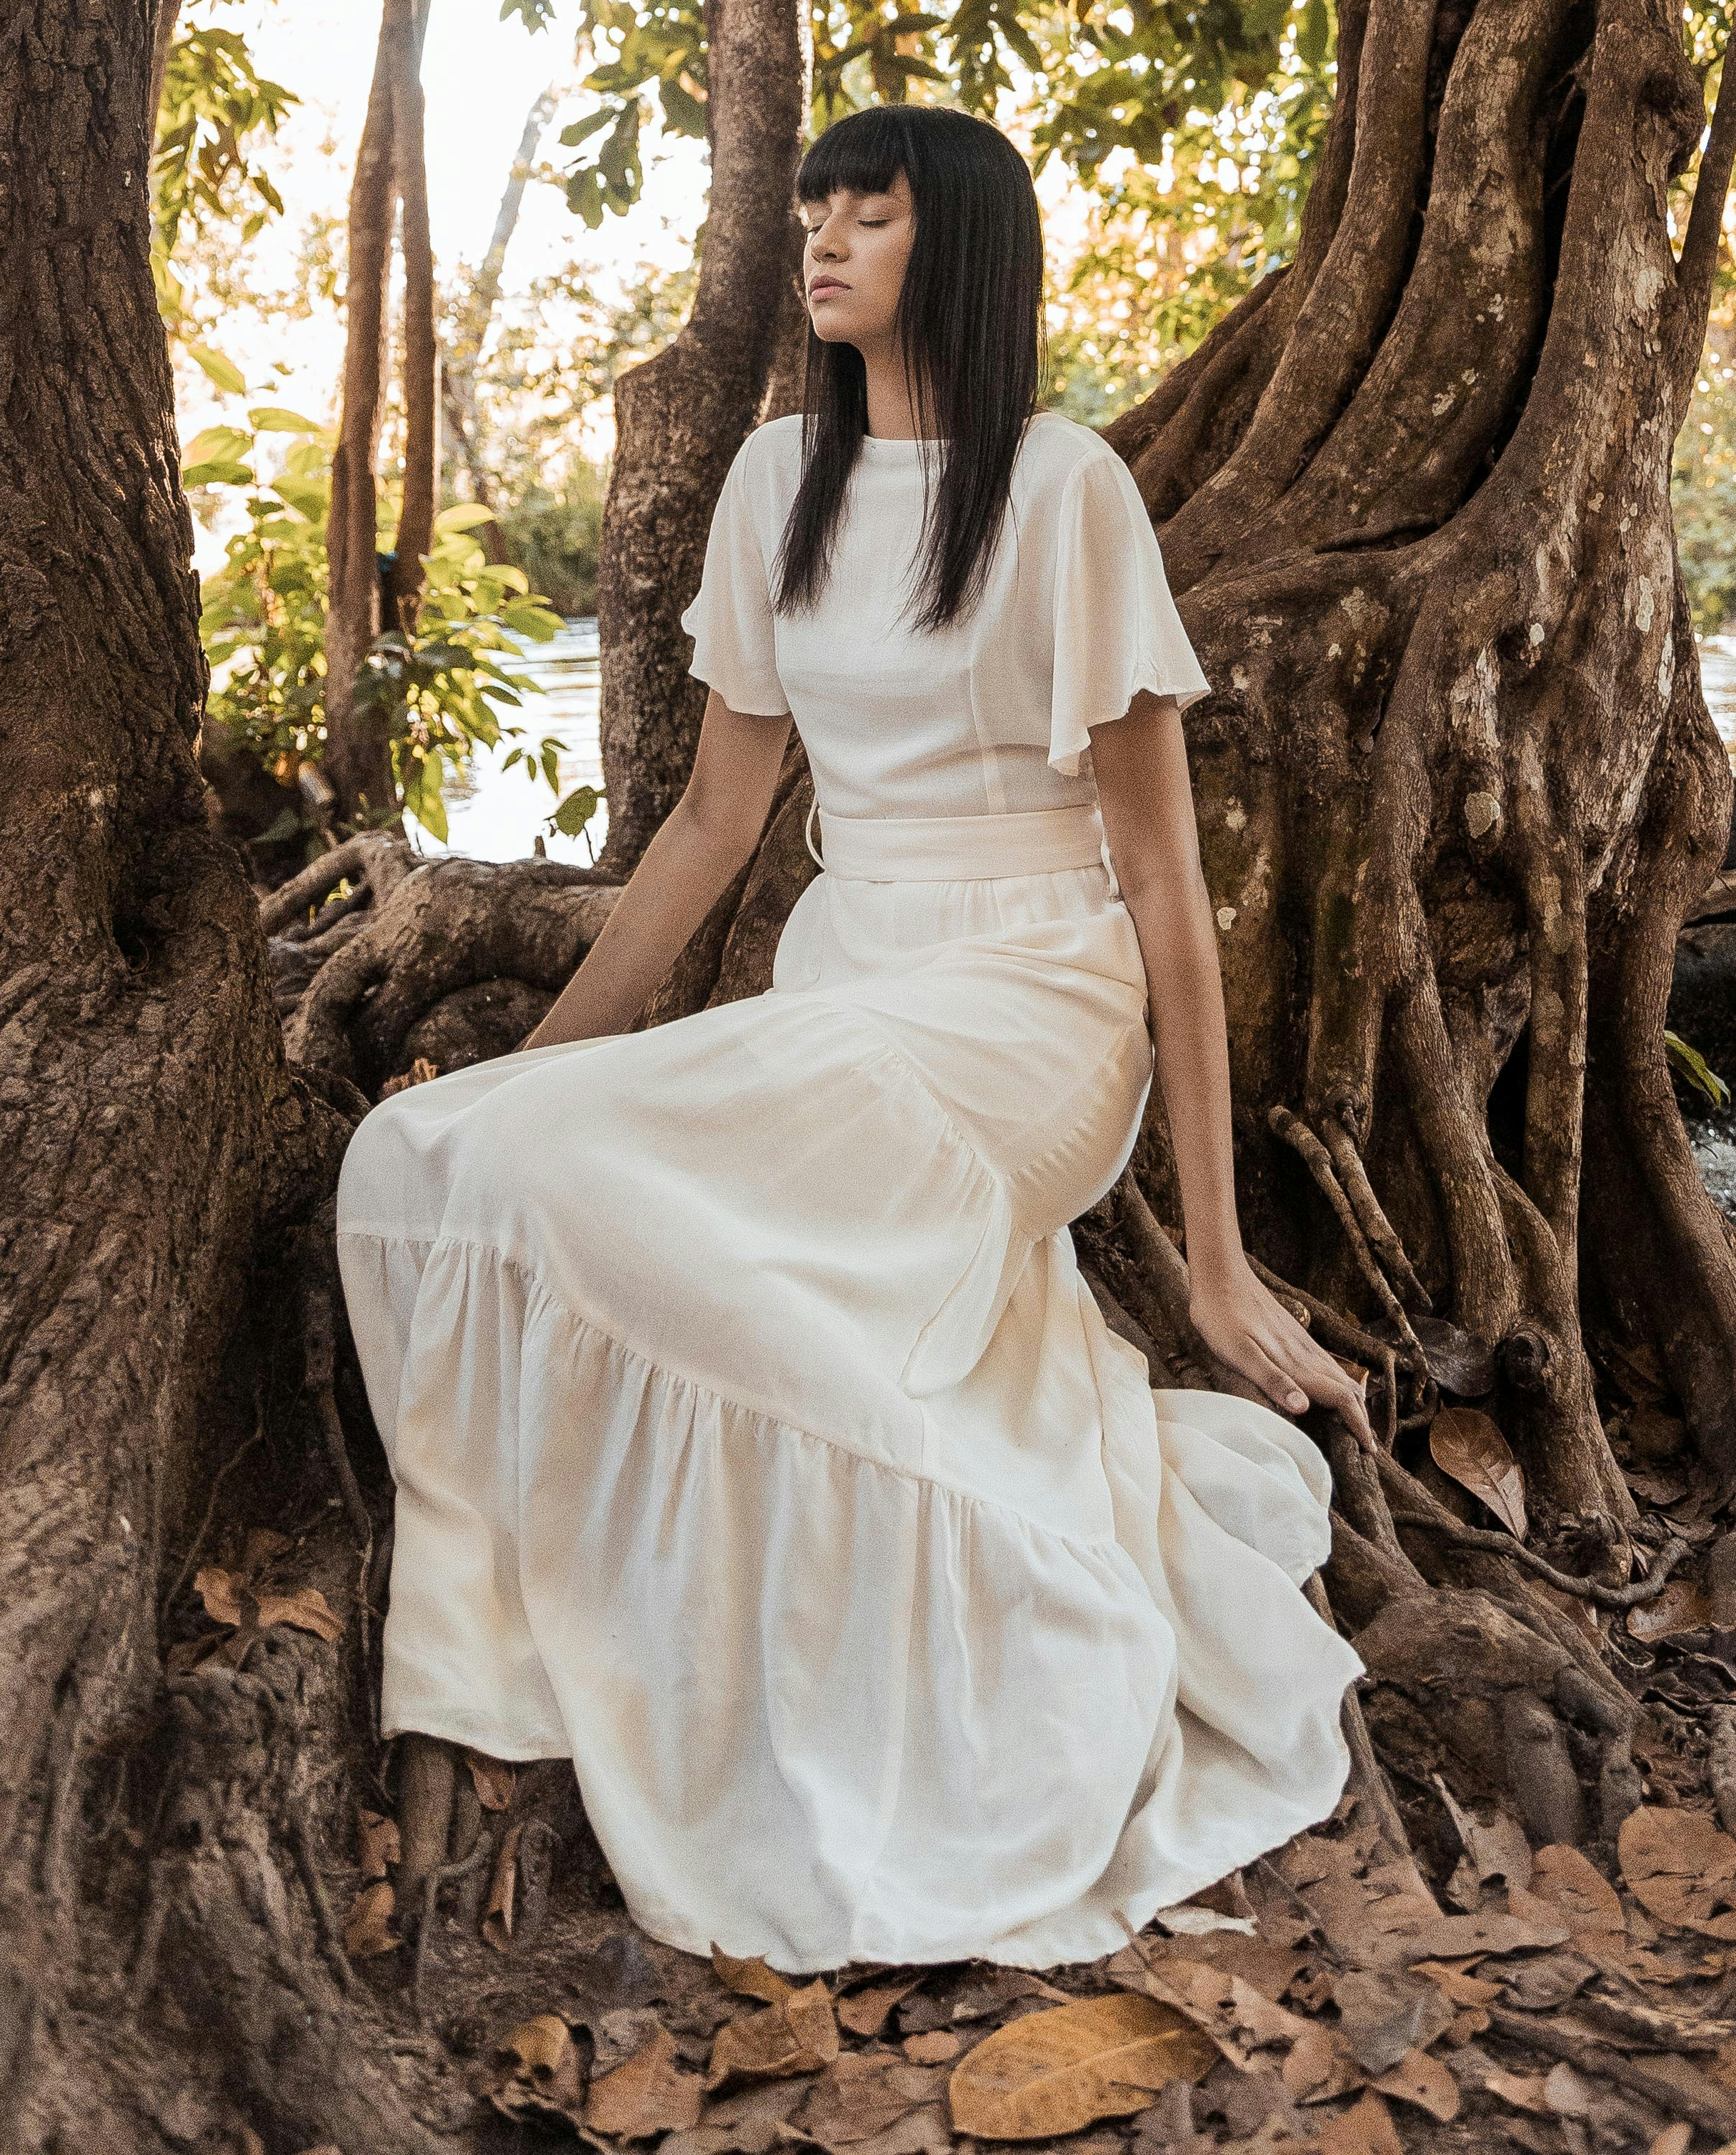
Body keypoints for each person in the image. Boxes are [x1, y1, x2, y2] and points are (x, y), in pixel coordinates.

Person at [337, 102, 1368, 1974]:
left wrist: (1213, 1265)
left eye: (865, 215)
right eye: (812, 207)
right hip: (846, 972)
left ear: (951, 248)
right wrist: (538, 1058)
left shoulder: (1062, 491)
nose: (820, 241)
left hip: (1035, 1003)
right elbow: (713, 831)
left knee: (607, 1175)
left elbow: (1160, 896)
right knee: (438, 1156)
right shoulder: (770, 486)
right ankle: (517, 1668)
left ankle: (881, 1664)